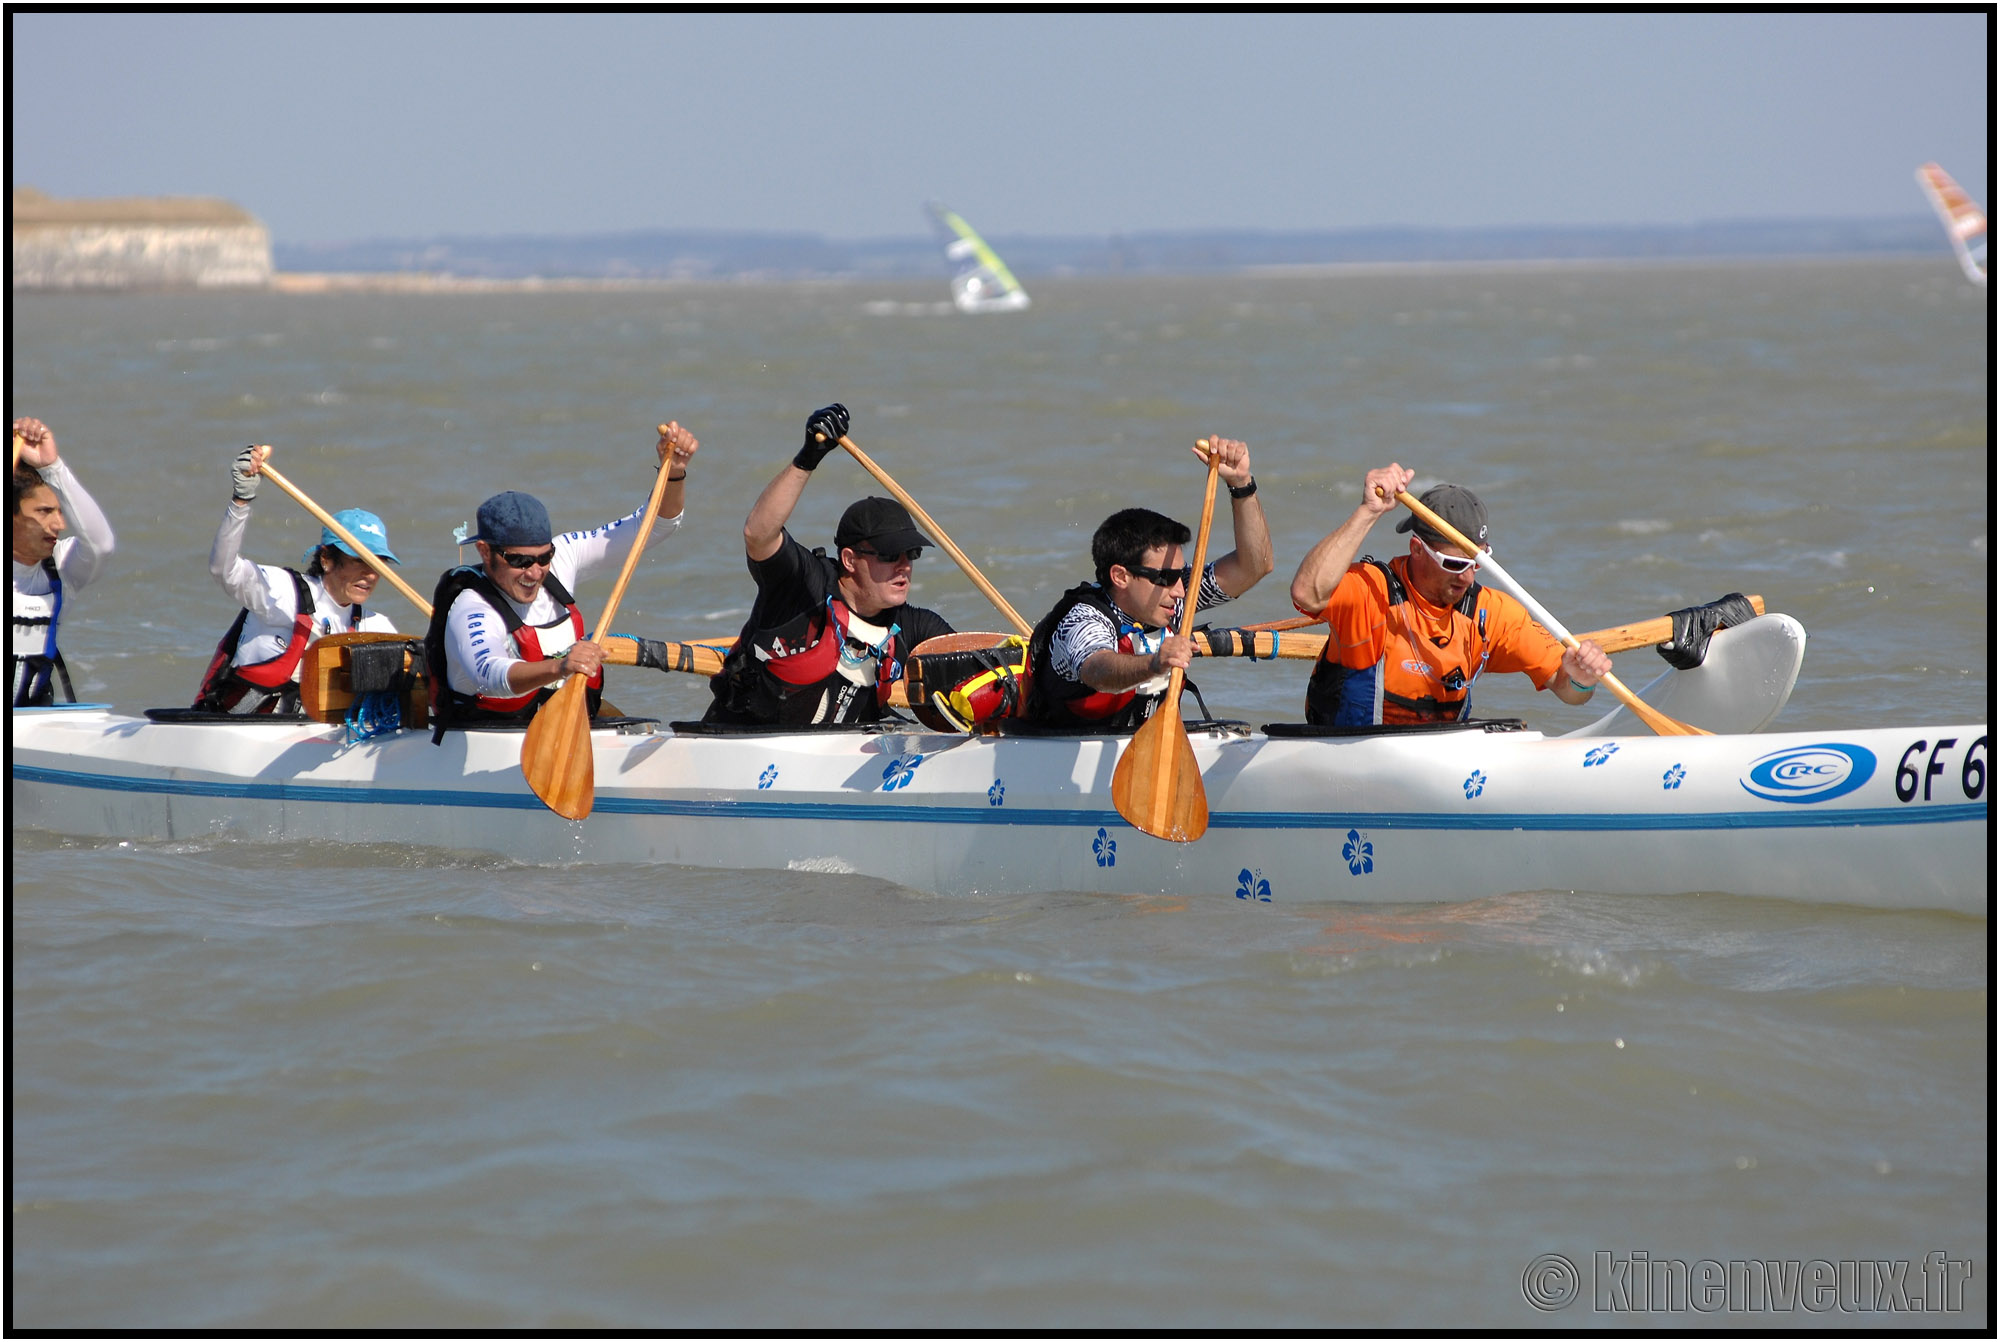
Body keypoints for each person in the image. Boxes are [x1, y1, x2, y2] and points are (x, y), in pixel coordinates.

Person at [426, 422, 697, 739]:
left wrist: (674, 472)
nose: (535, 572)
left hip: (564, 738)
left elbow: (654, 526)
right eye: (519, 561)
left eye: (544, 557)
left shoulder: (563, 558)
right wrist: (561, 667)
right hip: (488, 740)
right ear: (485, 551)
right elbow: (489, 675)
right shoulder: (472, 608)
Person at [1286, 465, 1611, 726]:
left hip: (1436, 769)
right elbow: (1306, 594)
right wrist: (1369, 511)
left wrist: (1581, 679)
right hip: (1349, 756)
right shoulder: (1370, 592)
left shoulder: (1491, 614)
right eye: (1454, 563)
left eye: (1476, 563)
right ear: (1417, 550)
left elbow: (1567, 690)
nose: (1467, 577)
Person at [701, 404, 955, 726]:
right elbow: (758, 534)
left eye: (911, 555)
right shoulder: (802, 586)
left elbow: (970, 661)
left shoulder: (914, 627)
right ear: (849, 560)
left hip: (835, 762)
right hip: (738, 744)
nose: (904, 566)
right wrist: (807, 458)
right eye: (891, 556)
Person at [1024, 436, 1273, 730]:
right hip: (1057, 758)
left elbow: (1254, 567)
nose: (1180, 591)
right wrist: (1155, 663)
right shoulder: (1084, 620)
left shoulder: (1174, 603)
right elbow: (1097, 669)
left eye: (1181, 576)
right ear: (1121, 576)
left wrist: (1242, 485)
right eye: (1165, 578)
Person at [196, 444, 401, 713]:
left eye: (379, 565)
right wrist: (241, 501)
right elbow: (224, 570)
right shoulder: (283, 592)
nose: (372, 574)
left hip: (314, 739)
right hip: (242, 731)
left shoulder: (377, 628)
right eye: (360, 562)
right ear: (326, 558)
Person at [11, 417, 116, 706]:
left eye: (59, 512)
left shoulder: (60, 567)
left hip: (30, 723)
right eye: (45, 512)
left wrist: (52, 467)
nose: (59, 524)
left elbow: (101, 545)